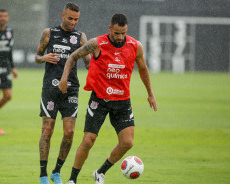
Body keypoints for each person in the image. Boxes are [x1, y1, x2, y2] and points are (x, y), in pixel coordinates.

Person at [58, 14, 158, 184]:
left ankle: (100, 172)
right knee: (89, 140)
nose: (120, 37)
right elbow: (73, 56)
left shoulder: (135, 46)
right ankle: (72, 180)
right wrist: (64, 78)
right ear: (110, 28)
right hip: (100, 100)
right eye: (117, 33)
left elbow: (143, 69)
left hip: (122, 101)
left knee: (127, 142)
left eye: (123, 33)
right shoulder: (97, 43)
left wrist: (150, 93)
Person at [35, 2, 91, 184]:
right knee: (47, 130)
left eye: (76, 19)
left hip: (72, 89)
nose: (73, 22)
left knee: (70, 132)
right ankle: (43, 174)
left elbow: (89, 64)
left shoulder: (80, 37)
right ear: (62, 15)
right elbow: (37, 56)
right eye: (70, 18)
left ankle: (56, 171)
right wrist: (43, 58)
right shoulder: (49, 33)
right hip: (50, 89)